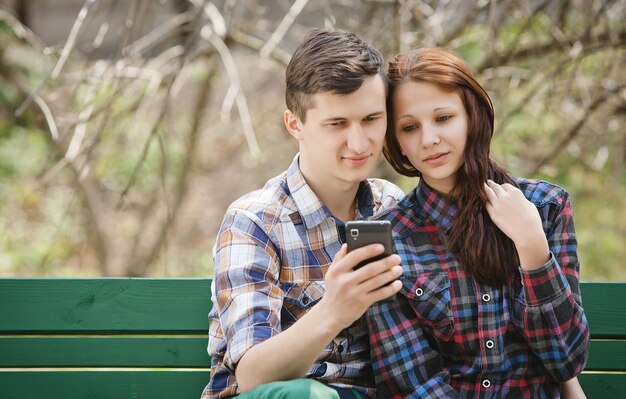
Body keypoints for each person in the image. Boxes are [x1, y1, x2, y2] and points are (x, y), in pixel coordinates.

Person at [366, 47, 590, 398]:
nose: (429, 139)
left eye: (443, 118)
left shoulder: (546, 207)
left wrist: (531, 247)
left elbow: (567, 360)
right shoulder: (387, 240)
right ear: (398, 143)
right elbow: (413, 385)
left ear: (473, 116)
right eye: (410, 127)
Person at [201, 28, 404, 399]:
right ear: (295, 124)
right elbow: (253, 376)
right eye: (337, 124)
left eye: (372, 119)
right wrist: (335, 309)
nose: (359, 143)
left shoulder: (390, 205)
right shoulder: (254, 221)